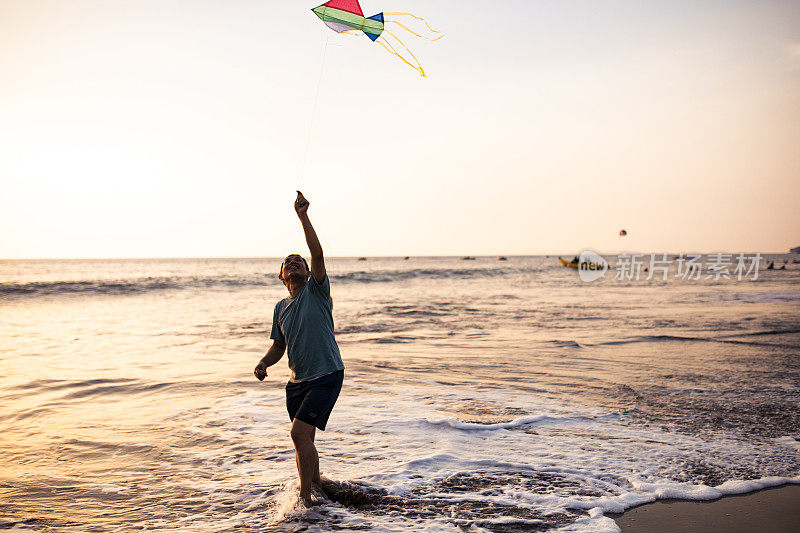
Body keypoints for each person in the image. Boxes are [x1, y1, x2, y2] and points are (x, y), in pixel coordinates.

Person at [253, 191, 345, 507]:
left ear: (307, 273)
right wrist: (264, 363)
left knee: (297, 435)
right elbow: (279, 345)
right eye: (287, 262)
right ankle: (318, 489)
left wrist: (303, 216)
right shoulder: (280, 307)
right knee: (303, 439)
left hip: (326, 375)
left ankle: (304, 502)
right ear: (282, 276)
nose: (294, 262)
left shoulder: (317, 291)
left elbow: (316, 254)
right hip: (297, 384)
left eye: (299, 262)